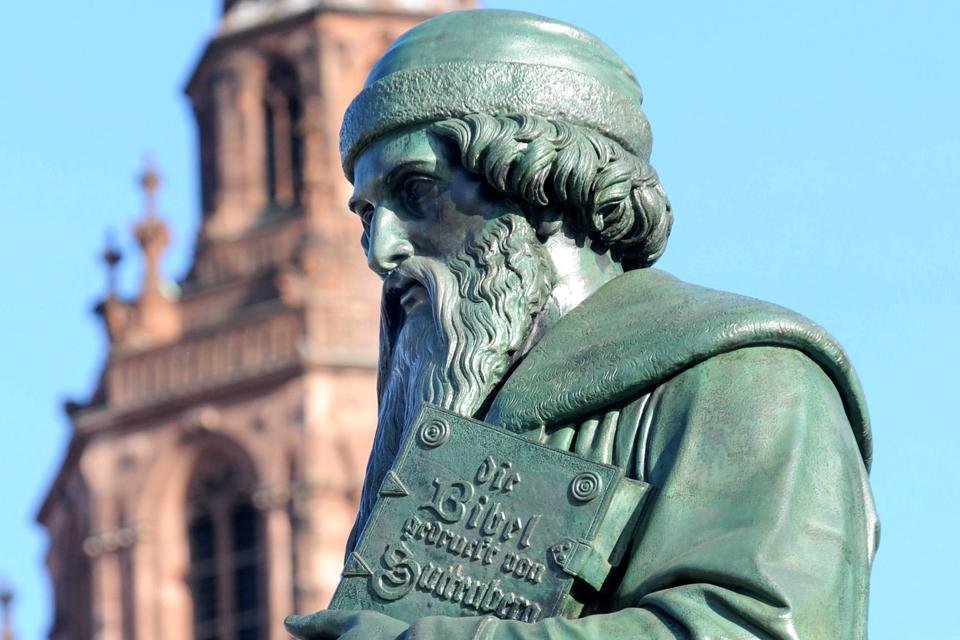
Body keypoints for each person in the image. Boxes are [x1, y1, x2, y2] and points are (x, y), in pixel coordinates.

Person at [286, 9, 878, 639]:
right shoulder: (442, 430)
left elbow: (762, 630)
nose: (381, 251)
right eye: (367, 215)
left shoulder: (752, 378)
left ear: (542, 181)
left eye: (416, 191)